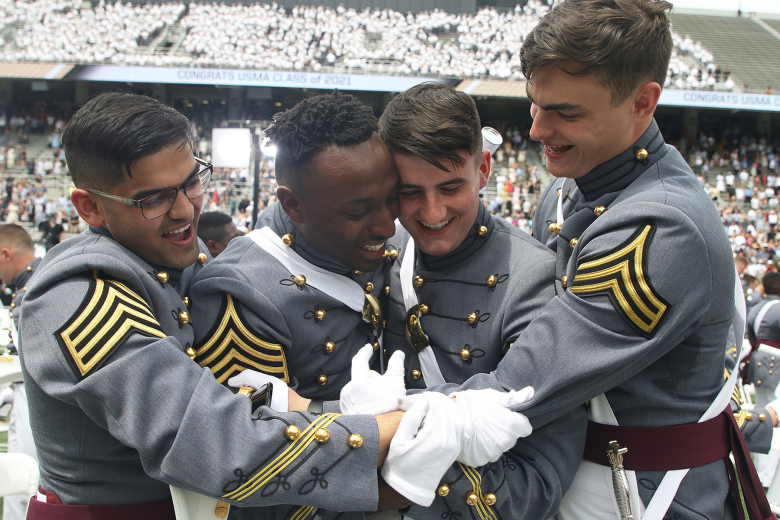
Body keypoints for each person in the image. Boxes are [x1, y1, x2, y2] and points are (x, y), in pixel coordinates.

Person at [346, 0, 770, 518]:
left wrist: (372, 427)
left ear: (643, 101)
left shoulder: (661, 226)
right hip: (574, 471)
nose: (539, 129)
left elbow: (525, 381)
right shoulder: (572, 186)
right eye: (536, 104)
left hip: (639, 496)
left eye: (567, 113)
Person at [17, 92, 407, 519]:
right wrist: (394, 428)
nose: (186, 210)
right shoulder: (80, 292)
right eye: (154, 199)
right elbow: (215, 441)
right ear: (89, 207)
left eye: (190, 182)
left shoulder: (175, 253)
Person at [189, 92, 531, 519]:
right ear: (293, 204)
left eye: (391, 198)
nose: (388, 225)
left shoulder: (380, 244)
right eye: (357, 210)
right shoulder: (237, 292)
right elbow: (259, 470)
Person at [357, 82, 587, 519]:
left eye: (449, 188)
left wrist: (386, 461)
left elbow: (540, 478)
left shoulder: (532, 275)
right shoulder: (383, 249)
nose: (432, 213)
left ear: (483, 168)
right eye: (409, 191)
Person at [0, 224, 40, 520]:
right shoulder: (28, 285)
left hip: (36, 400)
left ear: (5, 254)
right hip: (24, 394)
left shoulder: (34, 288)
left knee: (28, 484)